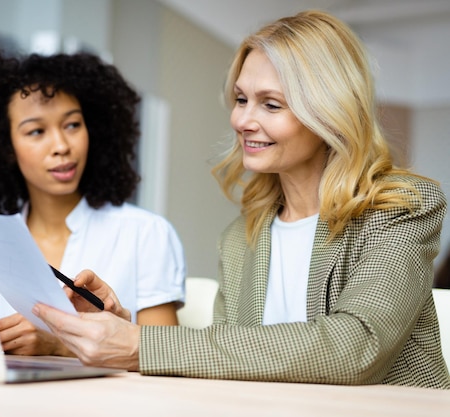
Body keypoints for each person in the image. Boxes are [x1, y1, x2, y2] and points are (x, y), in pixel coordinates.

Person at [32, 10, 450, 389]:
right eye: (241, 99)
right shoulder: (241, 238)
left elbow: (356, 347)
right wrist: (119, 332)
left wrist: (141, 345)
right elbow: (230, 358)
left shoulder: (401, 210)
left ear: (329, 112)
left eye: (271, 104)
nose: (243, 121)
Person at [0, 51, 185, 357]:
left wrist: (58, 345)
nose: (62, 146)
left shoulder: (146, 234)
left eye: (73, 125)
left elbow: (167, 358)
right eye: (37, 131)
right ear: (5, 147)